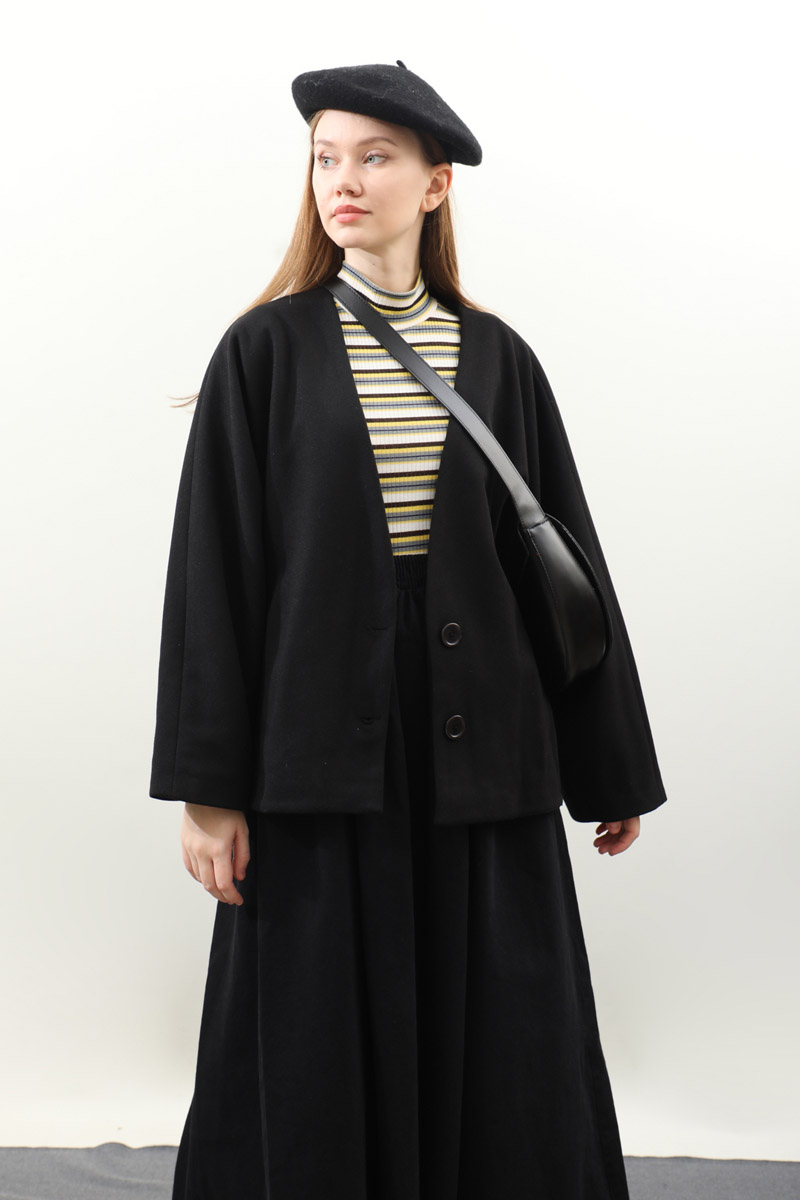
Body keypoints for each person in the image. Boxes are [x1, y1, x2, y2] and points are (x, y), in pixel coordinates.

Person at [149, 60, 667, 1200]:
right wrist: (207, 790)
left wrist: (608, 766)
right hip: (316, 749)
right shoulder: (263, 352)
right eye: (325, 157)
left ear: (435, 184)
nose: (343, 179)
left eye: (374, 156)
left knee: (504, 1015)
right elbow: (214, 577)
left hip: (486, 743)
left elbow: (564, 570)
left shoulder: (499, 357)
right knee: (312, 1015)